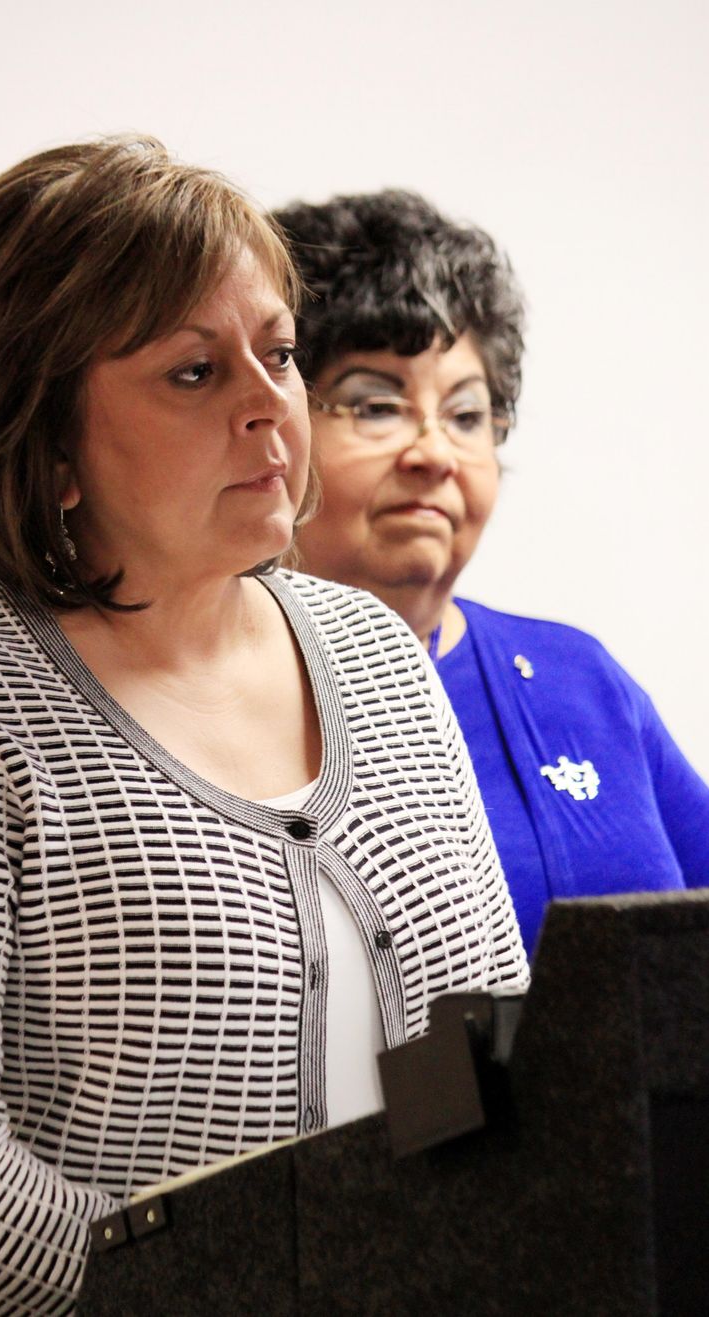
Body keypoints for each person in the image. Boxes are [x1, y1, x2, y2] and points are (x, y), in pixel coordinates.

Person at [0, 141, 528, 1316]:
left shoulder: (372, 656)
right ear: (47, 438)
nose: (272, 407)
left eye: (280, 354)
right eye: (195, 374)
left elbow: (479, 1054)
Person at [273, 189, 709, 960]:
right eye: (378, 406)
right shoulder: (213, 693)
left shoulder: (580, 678)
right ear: (274, 428)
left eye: (468, 415)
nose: (435, 453)